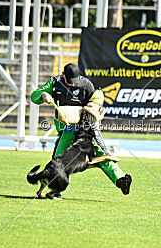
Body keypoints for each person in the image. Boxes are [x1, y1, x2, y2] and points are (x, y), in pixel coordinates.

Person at [31, 63, 132, 198]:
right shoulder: (54, 83)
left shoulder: (87, 84)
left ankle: (121, 180)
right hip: (66, 130)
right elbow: (34, 96)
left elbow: (97, 100)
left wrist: (94, 105)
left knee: (103, 155)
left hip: (87, 130)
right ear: (63, 75)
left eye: (75, 81)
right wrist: (43, 95)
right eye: (69, 81)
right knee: (58, 160)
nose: (73, 84)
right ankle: (56, 191)